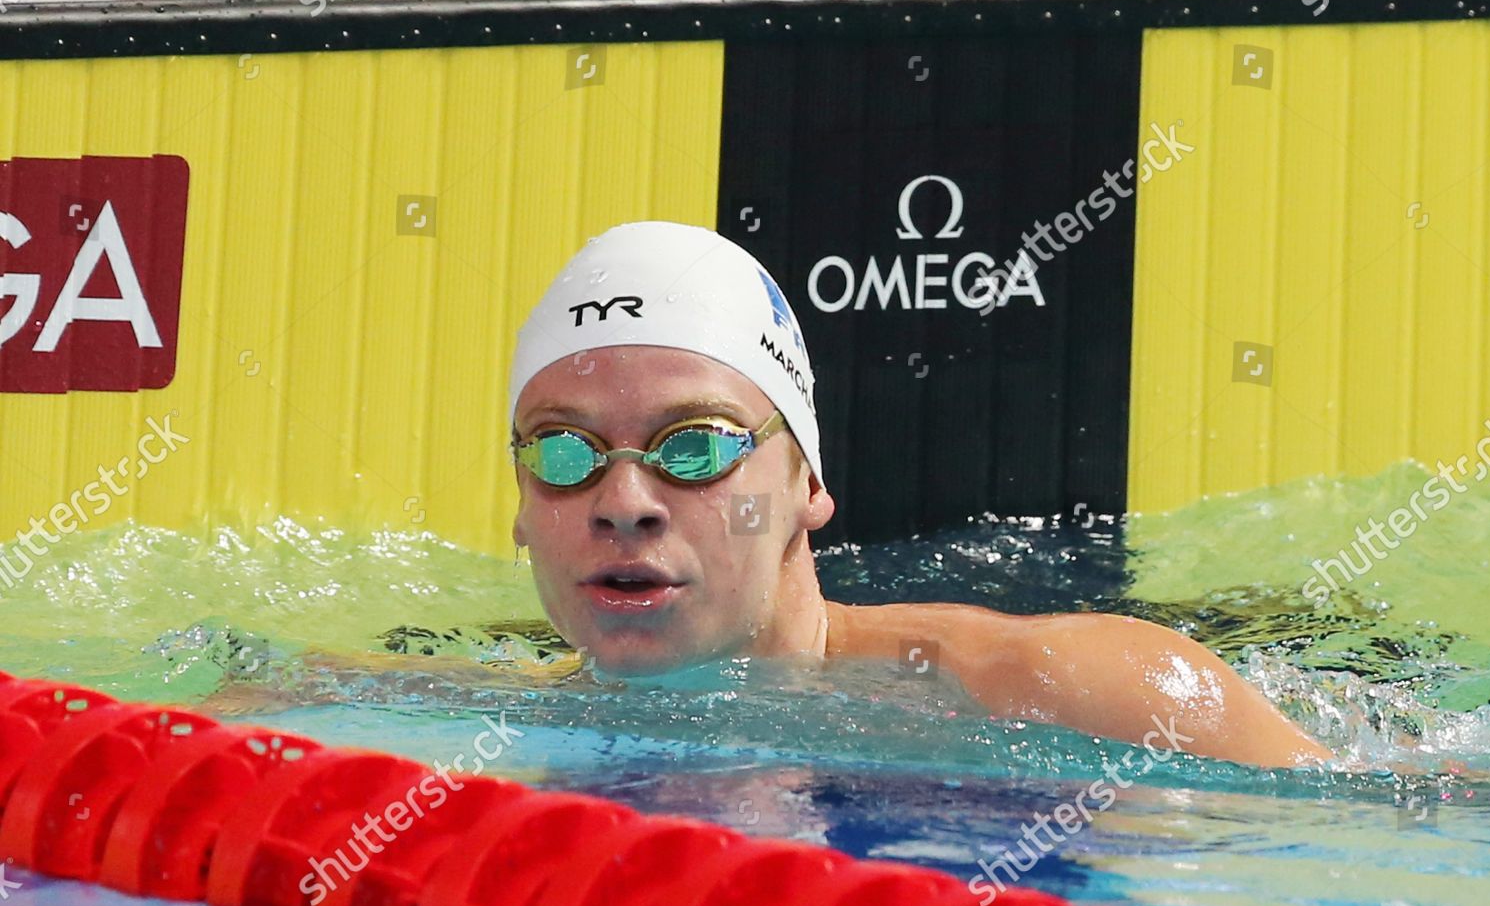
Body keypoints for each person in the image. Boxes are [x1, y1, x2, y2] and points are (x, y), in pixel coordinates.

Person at [506, 220, 1331, 769]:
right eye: (563, 450)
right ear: (518, 506)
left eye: (695, 445)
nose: (623, 499)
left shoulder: (1066, 690)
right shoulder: (474, 723)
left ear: (809, 485)